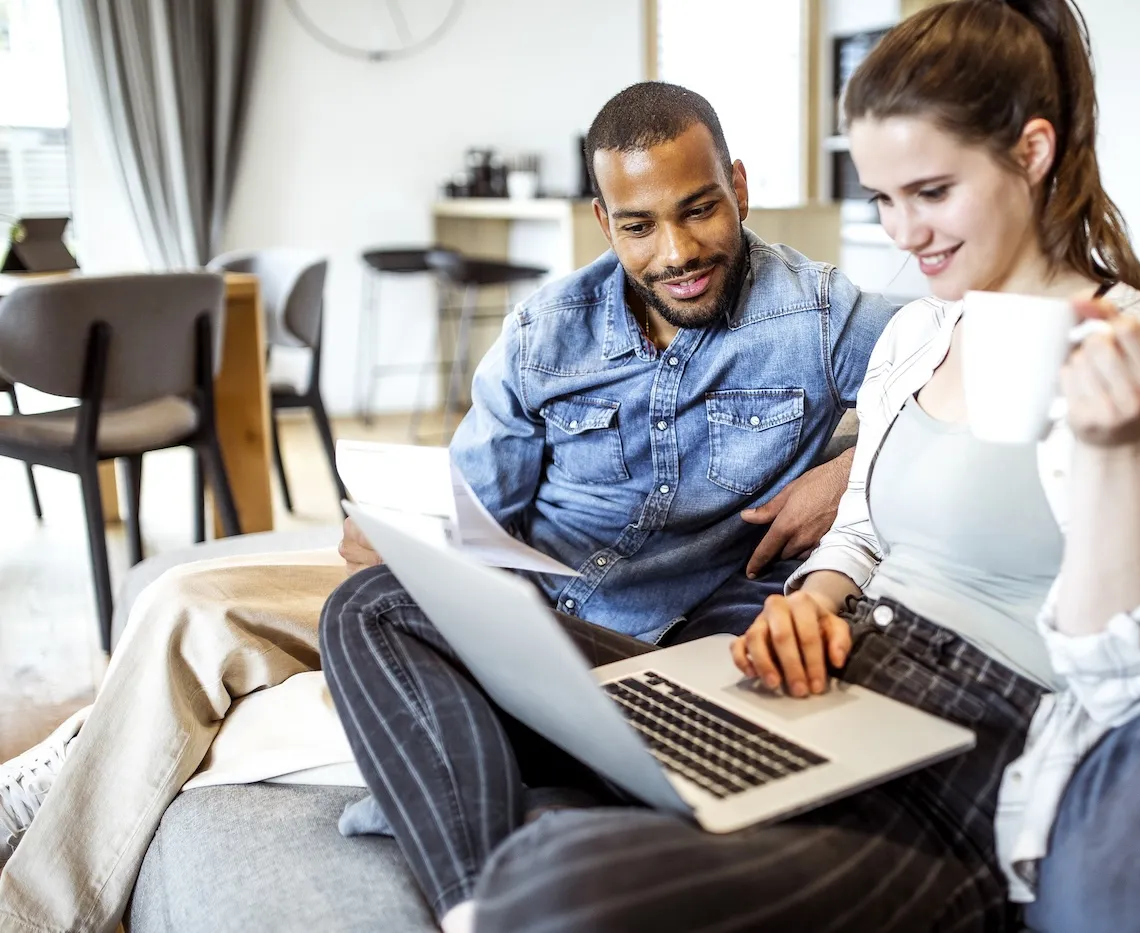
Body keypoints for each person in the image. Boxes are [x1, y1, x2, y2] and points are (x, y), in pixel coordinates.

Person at [319, 3, 1140, 932]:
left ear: (1032, 153)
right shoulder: (923, 333)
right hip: (824, 690)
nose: (904, 235)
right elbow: (873, 530)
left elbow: (1139, 682)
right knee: (375, 605)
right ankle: (472, 902)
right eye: (883, 200)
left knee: (564, 878)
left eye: (929, 192)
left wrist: (1114, 456)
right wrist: (815, 594)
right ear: (603, 223)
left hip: (965, 769)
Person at [0, 84, 895, 933]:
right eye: (639, 225)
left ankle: (78, 767)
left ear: (738, 188)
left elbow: (958, 364)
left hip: (620, 631)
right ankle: (42, 867)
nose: (677, 252)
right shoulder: (549, 330)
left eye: (700, 208)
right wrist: (402, 526)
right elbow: (476, 506)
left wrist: (844, 470)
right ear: (602, 222)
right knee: (187, 597)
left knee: (252, 630)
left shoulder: (814, 315)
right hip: (502, 590)